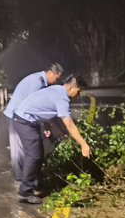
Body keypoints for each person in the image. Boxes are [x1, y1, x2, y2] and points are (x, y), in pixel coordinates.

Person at [12, 75, 91, 204]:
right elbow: (70, 125)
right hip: (24, 122)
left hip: (25, 120)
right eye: (79, 91)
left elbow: (50, 110)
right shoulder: (62, 98)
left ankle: (36, 184)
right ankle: (24, 192)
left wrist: (58, 130)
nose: (79, 95)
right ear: (71, 87)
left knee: (38, 154)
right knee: (33, 155)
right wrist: (84, 144)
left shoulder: (57, 90)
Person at [4, 64, 63, 183]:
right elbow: (35, 106)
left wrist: (45, 124)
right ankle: (21, 180)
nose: (56, 82)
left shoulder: (41, 81)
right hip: (16, 116)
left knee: (30, 149)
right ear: (50, 73)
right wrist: (49, 125)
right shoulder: (37, 83)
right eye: (56, 78)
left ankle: (30, 178)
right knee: (19, 151)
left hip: (26, 117)